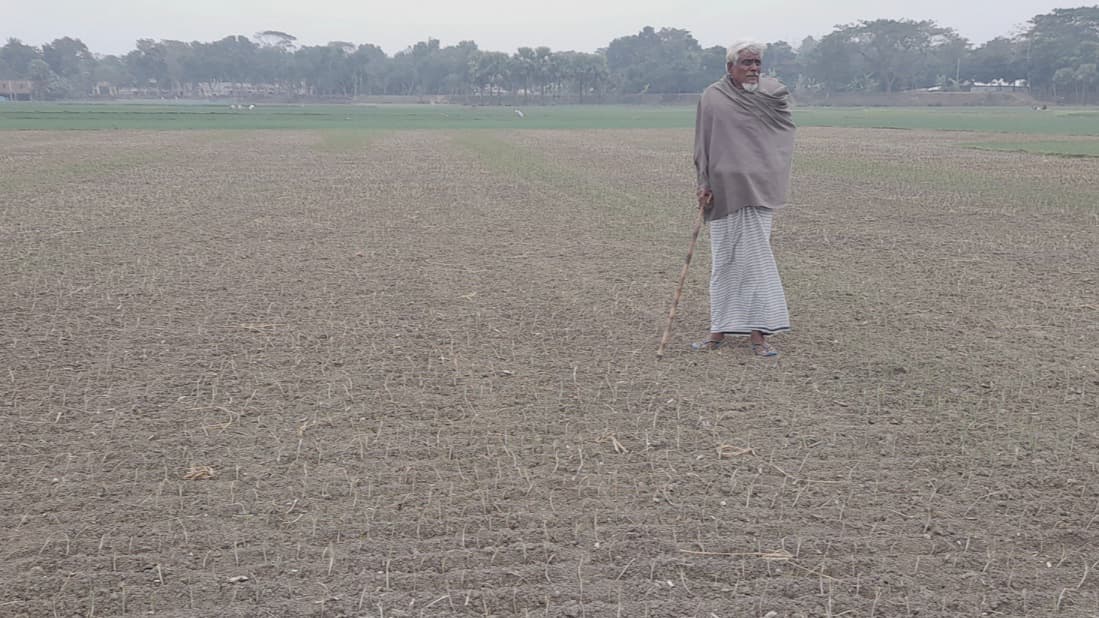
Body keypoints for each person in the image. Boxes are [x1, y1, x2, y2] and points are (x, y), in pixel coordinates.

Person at [691, 40, 796, 357]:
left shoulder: (772, 95)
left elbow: (782, 136)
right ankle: (718, 330)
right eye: (746, 63)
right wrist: (703, 181)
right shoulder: (712, 97)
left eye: (757, 63)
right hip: (723, 190)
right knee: (723, 262)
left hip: (759, 189)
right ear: (729, 67)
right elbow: (703, 142)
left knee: (755, 263)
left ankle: (759, 335)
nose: (753, 69)